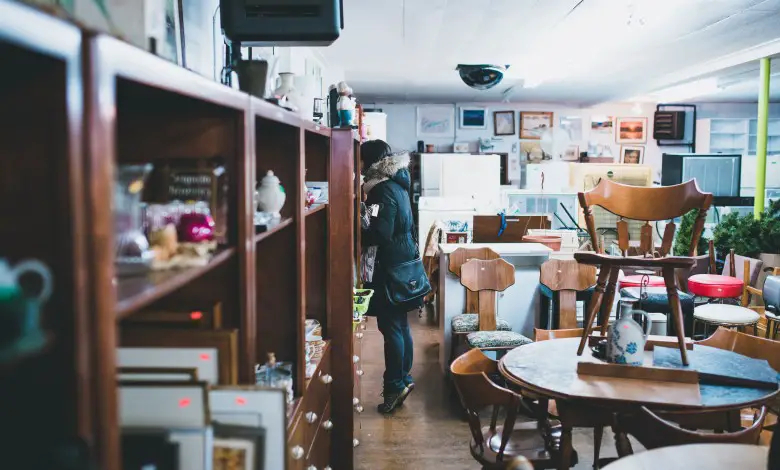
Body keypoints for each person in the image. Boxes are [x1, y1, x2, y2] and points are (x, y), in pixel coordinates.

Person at [360, 139, 424, 414]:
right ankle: (403, 379)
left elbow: (380, 233)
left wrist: (355, 229)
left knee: (392, 328)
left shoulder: (381, 190)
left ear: (368, 162)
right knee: (401, 325)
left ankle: (395, 386)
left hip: (390, 268)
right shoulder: (397, 184)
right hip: (403, 264)